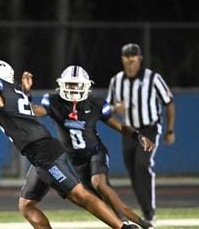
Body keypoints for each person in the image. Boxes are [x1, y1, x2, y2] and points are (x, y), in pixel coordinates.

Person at [0, 43, 139, 229]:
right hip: (40, 154)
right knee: (27, 205)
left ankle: (122, 227)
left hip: (45, 154)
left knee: (80, 195)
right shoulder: (14, 91)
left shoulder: (0, 95)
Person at [20, 66, 155, 229]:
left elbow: (119, 125)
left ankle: (124, 225)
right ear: (62, 85)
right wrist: (26, 93)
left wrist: (138, 136)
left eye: (77, 85)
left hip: (95, 153)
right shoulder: (53, 100)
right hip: (75, 160)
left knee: (99, 183)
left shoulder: (96, 103)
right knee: (101, 200)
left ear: (86, 86)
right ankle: (143, 224)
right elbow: (34, 111)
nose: (73, 89)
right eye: (70, 84)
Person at [106, 43, 176, 223]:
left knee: (141, 165)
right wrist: (115, 107)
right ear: (122, 59)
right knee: (133, 172)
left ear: (139, 58)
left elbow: (168, 102)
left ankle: (150, 213)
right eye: (126, 56)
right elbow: (107, 108)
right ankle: (146, 213)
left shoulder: (153, 78)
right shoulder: (117, 80)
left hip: (149, 128)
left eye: (133, 56)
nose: (130, 60)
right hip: (129, 131)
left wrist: (169, 130)